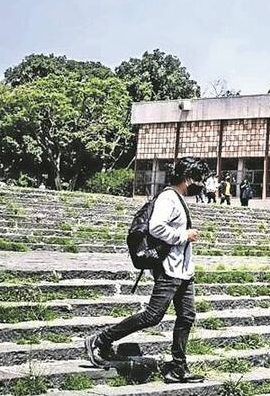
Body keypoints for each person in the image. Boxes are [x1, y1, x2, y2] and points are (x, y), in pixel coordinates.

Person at [84, 162, 204, 384]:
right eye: (198, 179)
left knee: (186, 316)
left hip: (183, 270)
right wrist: (183, 235)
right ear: (187, 177)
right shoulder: (168, 198)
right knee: (152, 316)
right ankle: (100, 340)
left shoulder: (177, 198)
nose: (200, 184)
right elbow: (156, 227)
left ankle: (178, 367)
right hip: (169, 268)